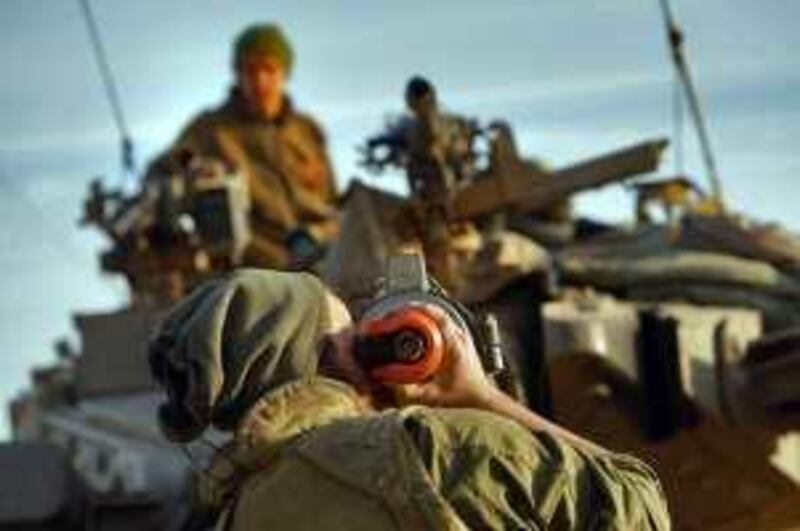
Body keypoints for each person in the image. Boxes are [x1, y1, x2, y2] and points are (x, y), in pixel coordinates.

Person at [149, 269, 670, 530]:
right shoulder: (427, 450)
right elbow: (638, 506)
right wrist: (482, 398)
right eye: (357, 335)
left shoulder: (235, 514)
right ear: (327, 355)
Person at [146, 24, 338, 269]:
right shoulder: (213, 129)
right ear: (237, 74)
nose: (259, 80)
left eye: (269, 69)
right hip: (259, 260)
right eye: (249, 70)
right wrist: (193, 166)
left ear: (285, 73)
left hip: (321, 250)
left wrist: (321, 233)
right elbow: (163, 166)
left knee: (394, 264)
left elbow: (333, 201)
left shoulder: (308, 130)